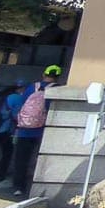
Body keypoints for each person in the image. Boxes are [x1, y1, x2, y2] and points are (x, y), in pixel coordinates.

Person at [10, 64, 63, 198]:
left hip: (24, 129)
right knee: (41, 159)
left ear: (44, 74)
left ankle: (19, 187)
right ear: (57, 77)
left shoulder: (31, 87)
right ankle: (39, 186)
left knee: (21, 159)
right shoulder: (57, 89)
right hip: (43, 130)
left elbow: (21, 105)